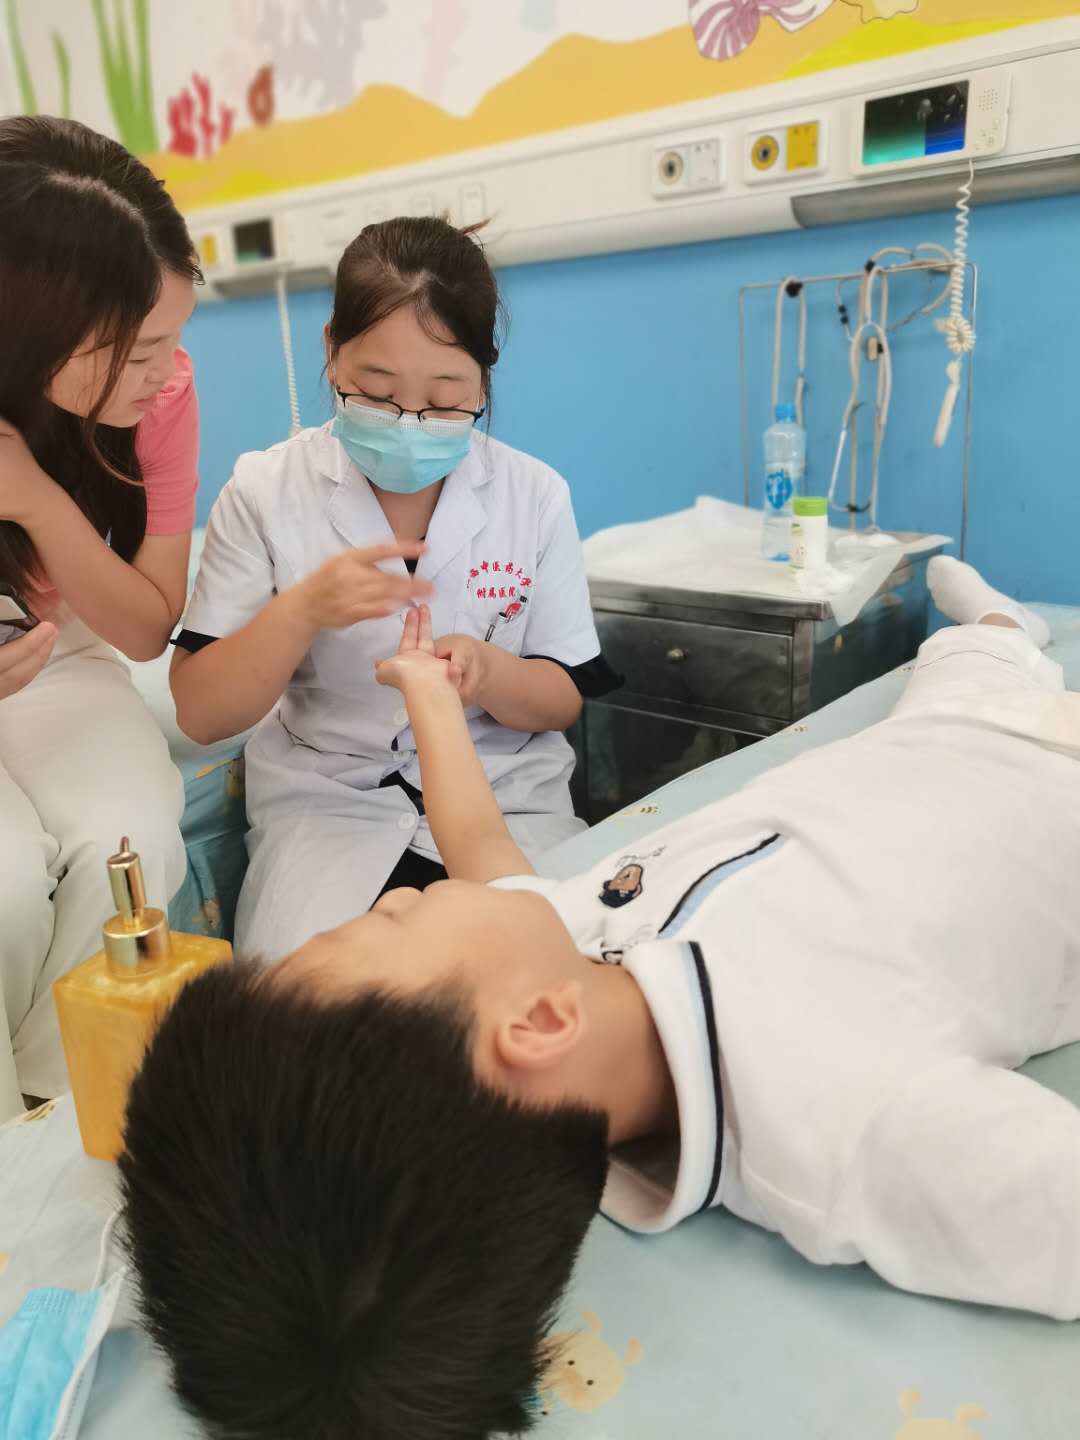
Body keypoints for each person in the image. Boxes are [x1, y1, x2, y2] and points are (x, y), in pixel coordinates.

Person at [121, 557, 1080, 1440]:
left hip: (925, 742)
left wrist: (430, 699)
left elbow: (480, 851)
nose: (397, 898)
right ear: (536, 1027)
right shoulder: (843, 1119)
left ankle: (996, 632)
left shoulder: (564, 971)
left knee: (967, 663)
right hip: (1051, 798)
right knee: (978, 677)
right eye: (380, 929)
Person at [170, 215, 617, 962]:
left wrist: (488, 673)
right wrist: (300, 612)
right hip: (329, 808)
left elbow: (563, 698)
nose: (410, 424)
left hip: (504, 796)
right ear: (331, 352)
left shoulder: (534, 495)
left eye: (444, 401)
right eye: (377, 395)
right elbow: (202, 713)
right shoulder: (264, 490)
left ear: (485, 379)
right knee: (306, 999)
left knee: (538, 970)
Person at [0, 117, 202, 1120]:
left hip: (59, 652)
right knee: (3, 886)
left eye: (172, 339)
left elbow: (145, 627)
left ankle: (68, 1112)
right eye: (137, 350)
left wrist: (37, 499)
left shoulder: (160, 398)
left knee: (131, 845)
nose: (164, 372)